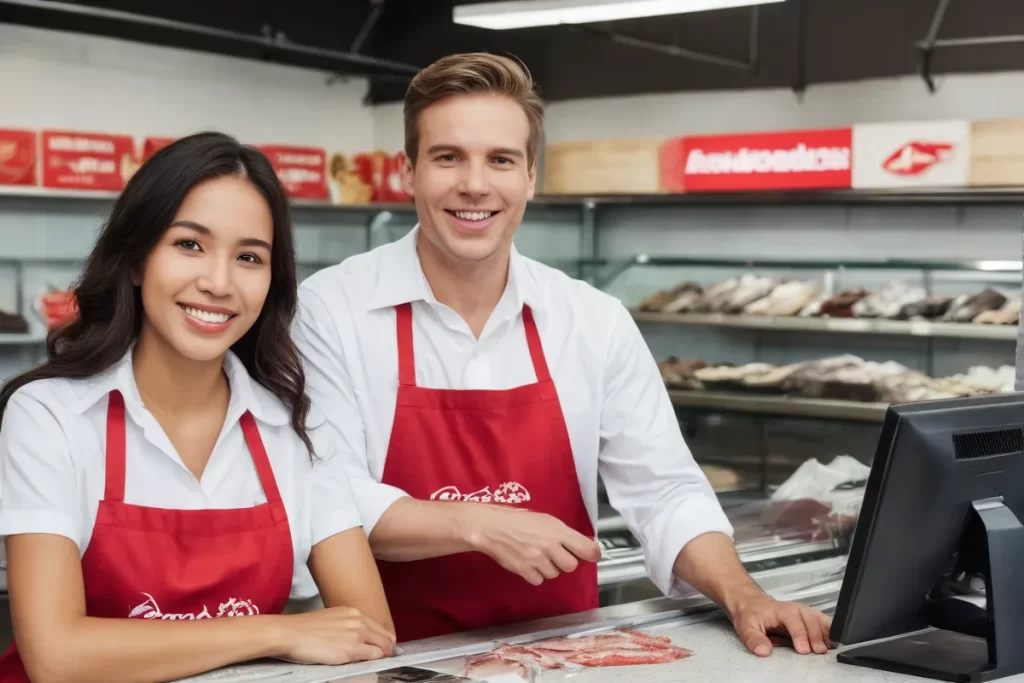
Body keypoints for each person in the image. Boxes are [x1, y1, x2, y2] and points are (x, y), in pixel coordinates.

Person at [293, 53, 832, 656]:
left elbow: (666, 492)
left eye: (500, 159)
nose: (475, 184)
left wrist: (742, 594)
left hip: (564, 654)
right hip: (397, 657)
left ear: (529, 176)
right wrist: (481, 523)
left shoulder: (591, 319)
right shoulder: (330, 310)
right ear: (408, 172)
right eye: (448, 157)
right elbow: (325, 496)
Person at [0, 132, 396, 683]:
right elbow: (56, 656)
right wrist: (275, 631)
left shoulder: (298, 430)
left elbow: (369, 631)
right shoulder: (49, 416)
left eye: (249, 257)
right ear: (136, 259)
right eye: (189, 245)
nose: (218, 282)